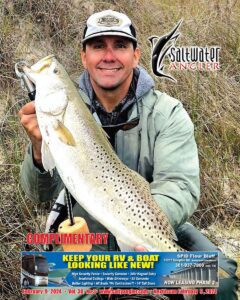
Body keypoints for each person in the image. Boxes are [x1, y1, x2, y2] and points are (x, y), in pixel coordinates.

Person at [18, 9, 238, 300]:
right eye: (98, 46)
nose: (109, 56)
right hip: (83, 241)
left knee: (220, 281)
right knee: (41, 283)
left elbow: (180, 185)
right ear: (84, 57)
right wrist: (37, 147)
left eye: (120, 45)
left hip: (154, 231)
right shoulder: (56, 114)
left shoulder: (169, 113)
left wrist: (145, 229)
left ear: (136, 55)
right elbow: (35, 194)